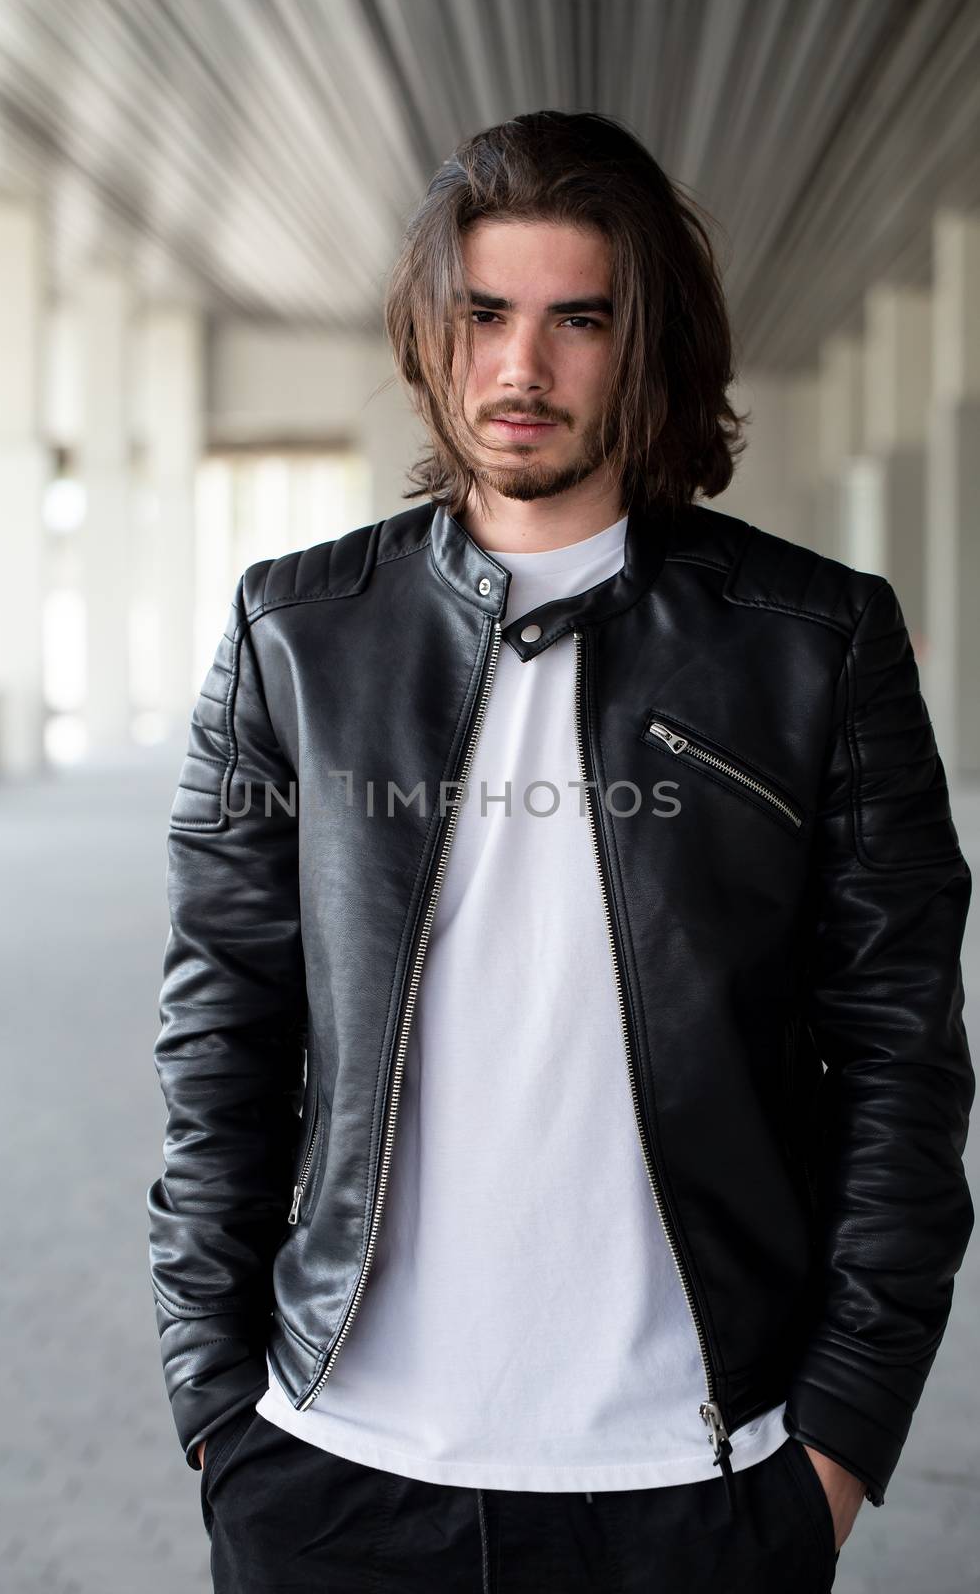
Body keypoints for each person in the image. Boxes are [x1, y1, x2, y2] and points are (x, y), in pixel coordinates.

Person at [147, 110, 974, 1593]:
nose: (519, 370)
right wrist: (217, 1402)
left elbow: (902, 1058)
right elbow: (222, 1027)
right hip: (333, 1467)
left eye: (576, 320)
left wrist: (841, 1440)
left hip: (695, 1477)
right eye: (483, 315)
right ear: (431, 330)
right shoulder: (297, 634)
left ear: (643, 345)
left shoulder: (816, 645)